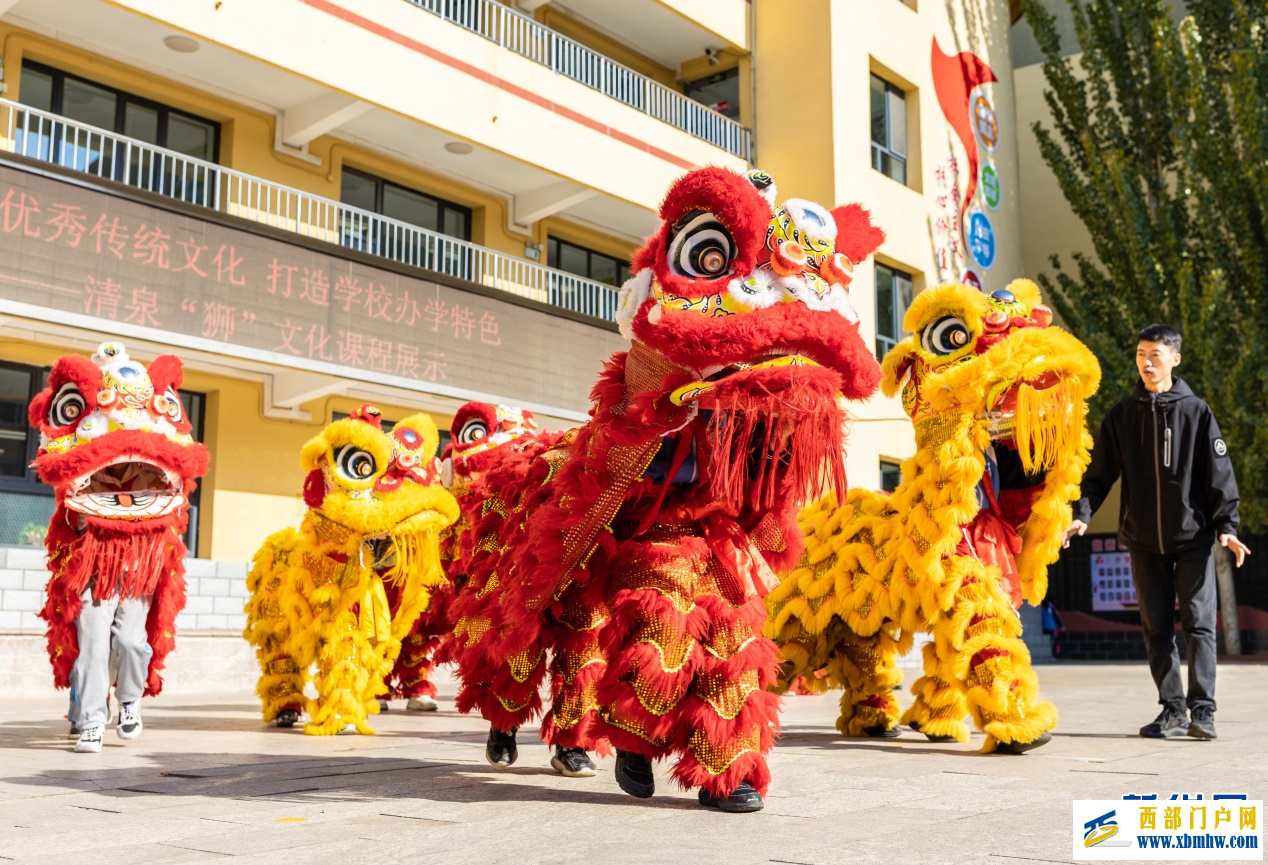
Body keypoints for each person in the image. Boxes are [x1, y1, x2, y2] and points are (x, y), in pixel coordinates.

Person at [1064, 324, 1250, 740]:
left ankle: (1203, 711)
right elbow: (1098, 475)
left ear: (1175, 359)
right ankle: (1172, 709)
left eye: (1155, 354)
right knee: (1156, 628)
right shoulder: (1122, 416)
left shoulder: (1196, 411)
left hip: (1193, 538)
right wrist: (1083, 514)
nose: (1146, 362)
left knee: (1199, 624)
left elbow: (1219, 473)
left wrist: (1227, 525)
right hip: (1143, 539)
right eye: (1140, 354)